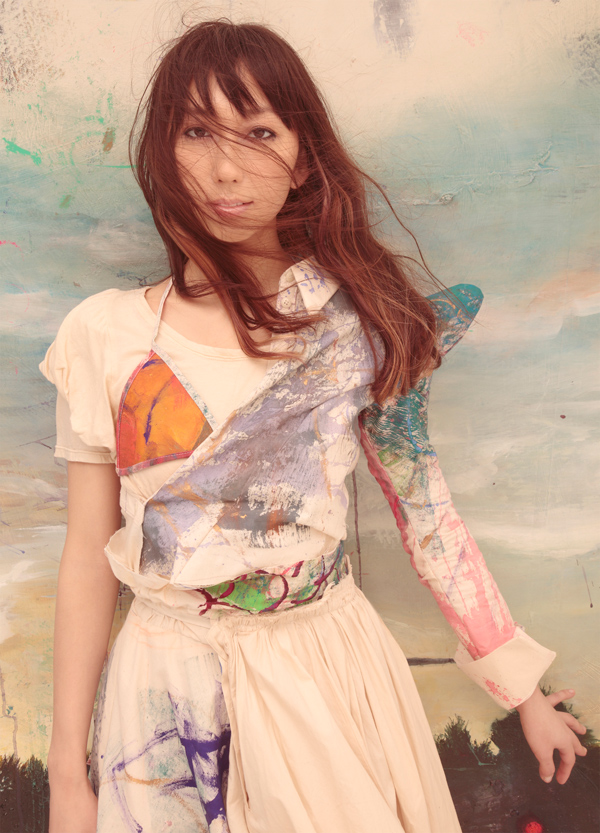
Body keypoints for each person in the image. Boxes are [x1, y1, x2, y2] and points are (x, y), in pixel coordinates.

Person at [39, 19, 588, 833]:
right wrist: (67, 776)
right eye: (197, 132)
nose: (226, 168)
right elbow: (89, 555)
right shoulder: (103, 333)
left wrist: (523, 691)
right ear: (162, 149)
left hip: (323, 674)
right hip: (163, 690)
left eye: (260, 133)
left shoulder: (359, 325)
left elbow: (428, 515)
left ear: (303, 156)